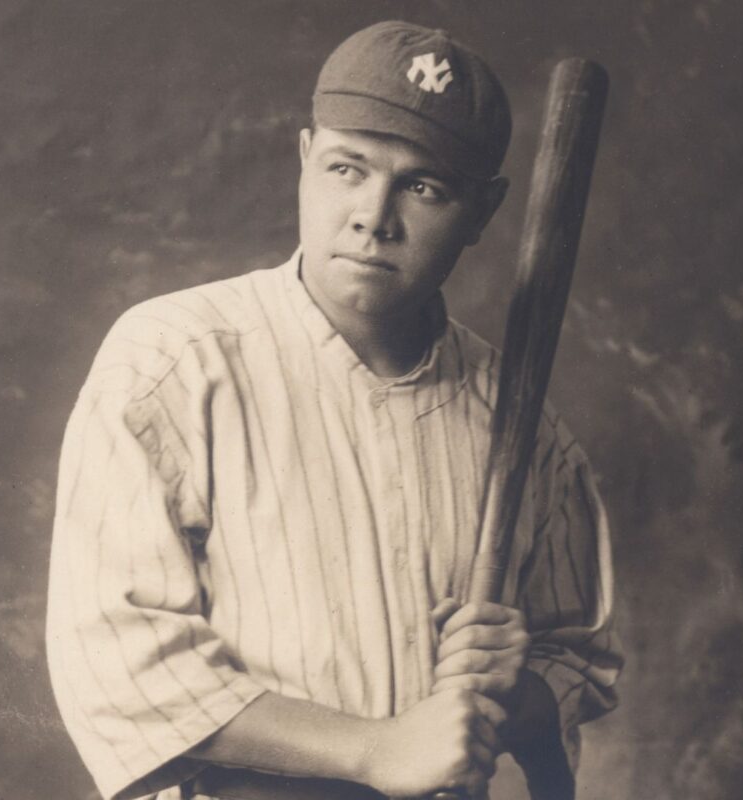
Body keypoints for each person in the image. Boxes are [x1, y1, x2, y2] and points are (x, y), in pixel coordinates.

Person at [47, 20, 623, 800]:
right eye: (348, 169)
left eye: (424, 187)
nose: (372, 217)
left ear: (482, 213)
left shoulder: (522, 419)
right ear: (303, 159)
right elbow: (118, 657)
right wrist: (373, 749)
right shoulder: (175, 360)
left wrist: (509, 688)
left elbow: (577, 653)